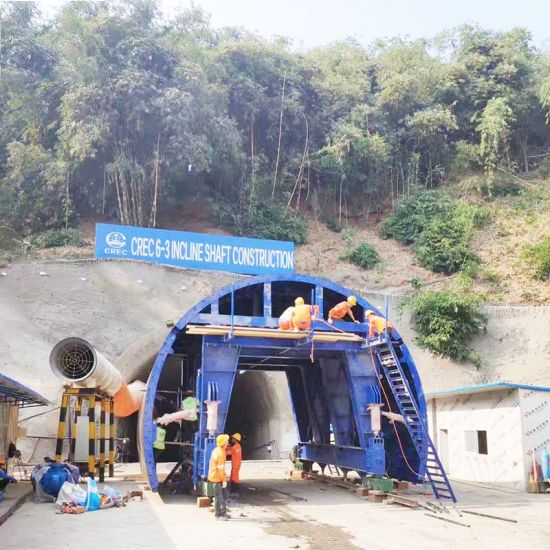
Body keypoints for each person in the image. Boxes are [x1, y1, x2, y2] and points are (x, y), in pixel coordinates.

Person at [208, 434, 231, 519]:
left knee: (224, 495)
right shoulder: (220, 453)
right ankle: (218, 515)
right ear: (224, 443)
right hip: (217, 478)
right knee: (218, 497)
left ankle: (223, 512)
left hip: (217, 476)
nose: (228, 442)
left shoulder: (217, 450)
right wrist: (224, 480)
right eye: (227, 441)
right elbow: (221, 468)